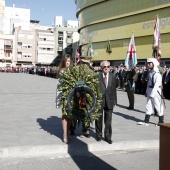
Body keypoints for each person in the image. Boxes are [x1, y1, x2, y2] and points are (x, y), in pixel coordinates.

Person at [69, 56, 94, 138]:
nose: (84, 64)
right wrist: (76, 92)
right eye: (83, 63)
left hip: (84, 97)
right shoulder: (75, 71)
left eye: (86, 63)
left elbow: (93, 84)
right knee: (75, 112)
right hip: (75, 96)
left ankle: (85, 129)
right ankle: (73, 128)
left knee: (84, 112)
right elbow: (72, 82)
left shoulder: (90, 71)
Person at [137, 58, 164, 126]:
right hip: (150, 90)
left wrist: (152, 93)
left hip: (155, 91)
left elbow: (157, 85)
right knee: (148, 106)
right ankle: (146, 121)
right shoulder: (151, 72)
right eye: (148, 63)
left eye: (149, 63)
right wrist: (147, 92)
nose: (148, 64)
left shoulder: (156, 73)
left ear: (153, 64)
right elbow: (148, 83)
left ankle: (161, 122)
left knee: (158, 106)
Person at [95, 60, 117, 144]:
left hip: (109, 100)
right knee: (98, 119)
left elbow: (114, 89)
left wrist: (115, 101)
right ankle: (98, 134)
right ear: (101, 68)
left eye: (108, 66)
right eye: (105, 67)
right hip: (99, 100)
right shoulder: (97, 76)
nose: (107, 68)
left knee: (108, 120)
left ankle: (108, 136)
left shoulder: (112, 76)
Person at [56, 54, 73, 143]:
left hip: (72, 96)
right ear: (63, 62)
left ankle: (68, 131)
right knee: (65, 114)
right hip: (64, 96)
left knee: (70, 115)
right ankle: (65, 133)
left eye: (69, 61)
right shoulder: (62, 71)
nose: (67, 63)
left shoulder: (72, 70)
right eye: (66, 61)